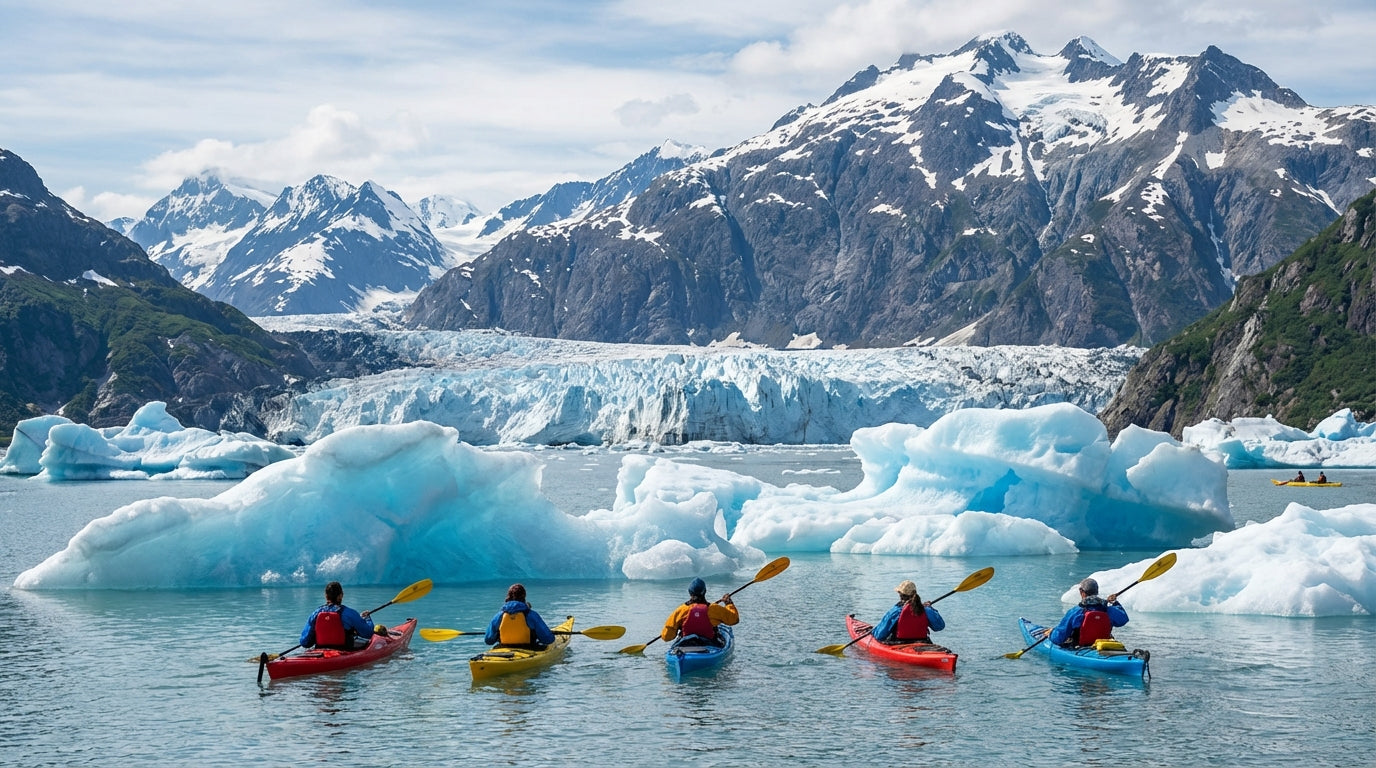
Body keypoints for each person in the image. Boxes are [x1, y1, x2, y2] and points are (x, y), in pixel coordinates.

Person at [1048, 577, 1129, 647]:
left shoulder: (1076, 612)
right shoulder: (1108, 609)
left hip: (1080, 647)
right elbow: (1123, 619)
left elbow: (1059, 638)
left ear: (1081, 592)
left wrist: (1051, 634)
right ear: (1096, 592)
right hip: (1101, 646)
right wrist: (1115, 603)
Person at [661, 577, 739, 646]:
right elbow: (733, 620)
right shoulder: (714, 608)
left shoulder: (680, 610)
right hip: (709, 643)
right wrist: (728, 603)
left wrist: (678, 628)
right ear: (705, 591)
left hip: (685, 645)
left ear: (689, 592)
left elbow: (666, 637)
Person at [299, 581, 374, 650]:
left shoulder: (315, 614)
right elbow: (368, 633)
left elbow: (304, 642)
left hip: (321, 649)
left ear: (326, 596)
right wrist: (367, 618)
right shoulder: (350, 613)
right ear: (341, 595)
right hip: (344, 649)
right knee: (367, 642)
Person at [870, 580, 945, 644]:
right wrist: (931, 609)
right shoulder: (926, 610)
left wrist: (873, 632)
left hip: (898, 643)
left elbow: (880, 635)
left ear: (900, 594)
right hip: (922, 642)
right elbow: (940, 627)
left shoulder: (896, 610)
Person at [485, 583, 556, 649]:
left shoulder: (499, 615)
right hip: (529, 648)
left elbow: (488, 641)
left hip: (505, 648)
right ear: (524, 596)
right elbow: (548, 640)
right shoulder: (531, 615)